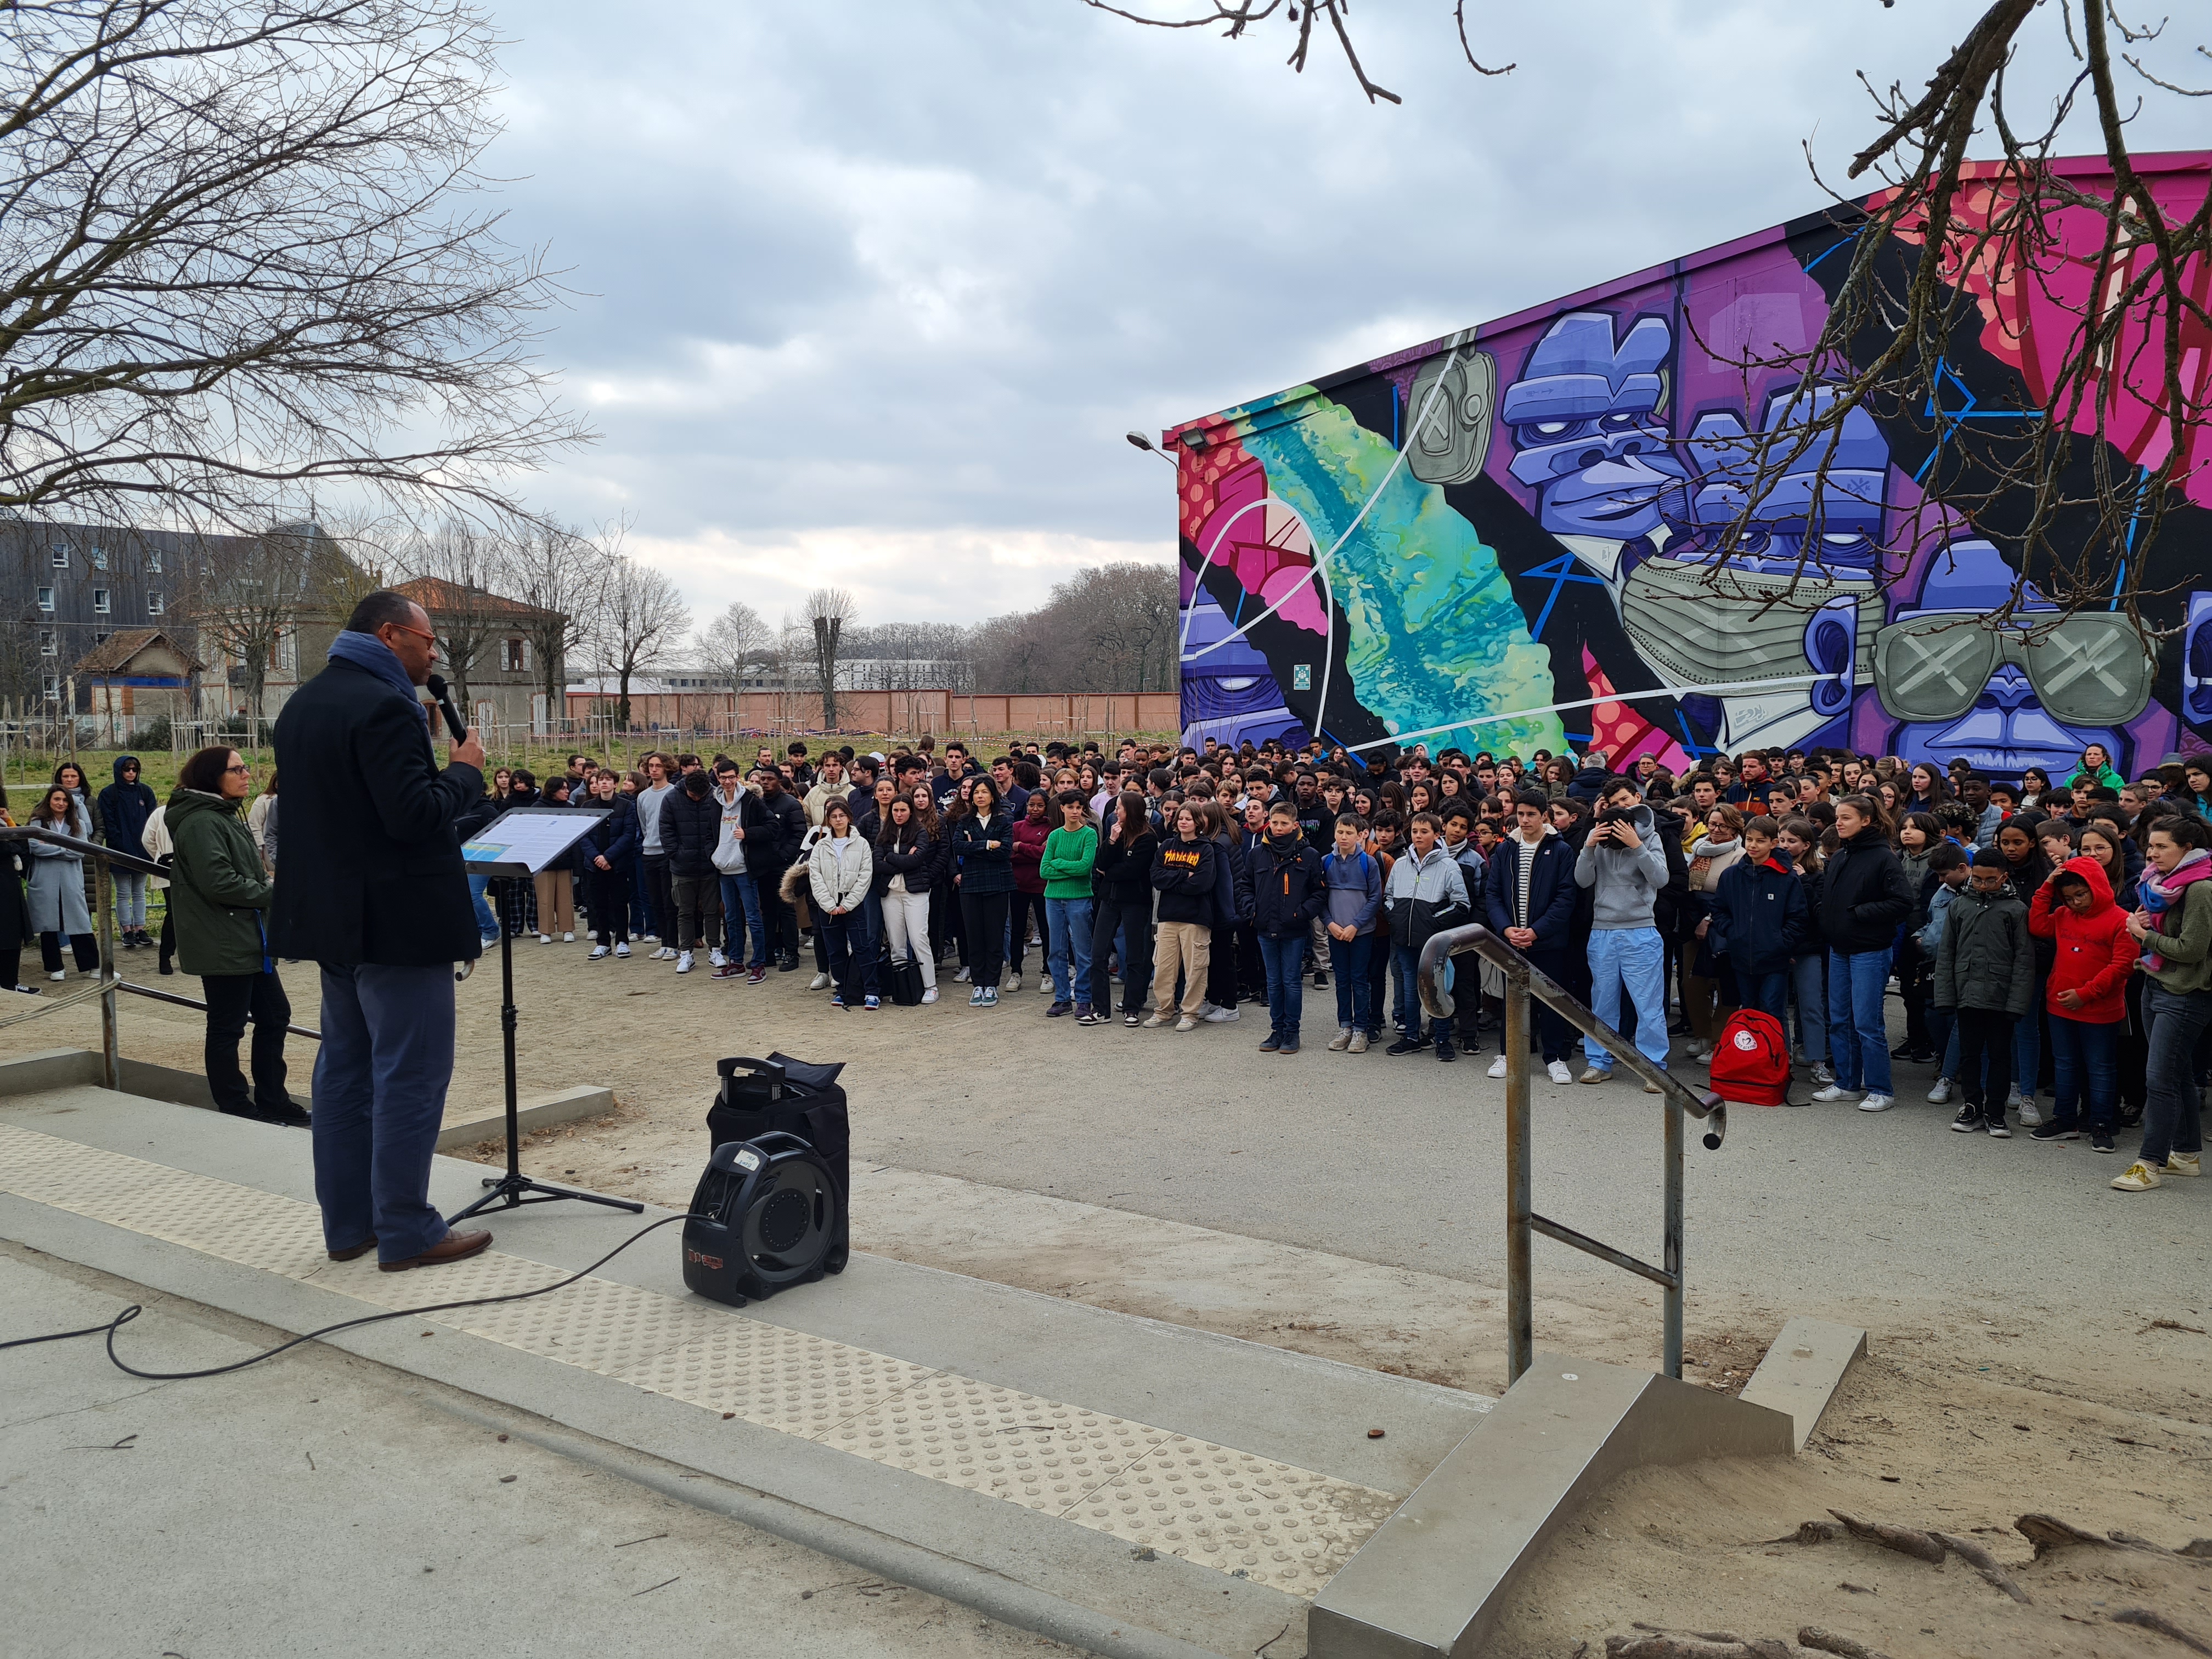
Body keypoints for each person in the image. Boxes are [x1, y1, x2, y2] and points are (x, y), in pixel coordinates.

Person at [270, 589, 490, 1273]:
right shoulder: (385, 705)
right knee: (411, 1075)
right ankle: (406, 1228)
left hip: (334, 924)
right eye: (428, 641)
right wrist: (465, 773)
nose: (433, 653)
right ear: (393, 635)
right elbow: (413, 816)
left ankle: (349, 1226)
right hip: (399, 928)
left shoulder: (303, 704)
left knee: (344, 1073)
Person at [168, 746, 304, 1127]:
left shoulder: (223, 816)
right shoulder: (202, 822)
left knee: (275, 1015)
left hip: (247, 938)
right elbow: (219, 883)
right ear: (213, 777)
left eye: (245, 767)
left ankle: (274, 1100)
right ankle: (235, 1105)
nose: (247, 774)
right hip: (223, 941)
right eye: (237, 769)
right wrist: (276, 891)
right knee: (228, 1026)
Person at [2113, 815, 2212, 1190]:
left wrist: (2142, 934)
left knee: (2160, 1080)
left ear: (2188, 850)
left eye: (2161, 847)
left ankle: (2149, 1164)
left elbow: (2192, 950)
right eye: (2150, 845)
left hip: (2185, 994)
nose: (2151, 853)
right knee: (2177, 1074)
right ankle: (2185, 1155)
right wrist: (2145, 926)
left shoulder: (2200, 888)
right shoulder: (2161, 882)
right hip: (2156, 985)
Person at [2027, 855, 2136, 1152]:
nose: (2075, 902)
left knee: (2100, 1067)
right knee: (2065, 1064)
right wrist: (2048, 887)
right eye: (2068, 897)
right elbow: (2037, 924)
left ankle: (2101, 1124)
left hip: (2100, 1008)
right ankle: (2065, 1120)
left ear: (2097, 887)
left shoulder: (2121, 920)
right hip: (2060, 1004)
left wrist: (2086, 994)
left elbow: (2123, 966)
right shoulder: (2062, 915)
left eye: (2081, 894)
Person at [1813, 794, 1915, 1112]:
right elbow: (1830, 898)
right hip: (1839, 948)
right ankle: (1847, 1083)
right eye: (1837, 818)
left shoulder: (1884, 858)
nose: (1839, 823)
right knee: (1840, 1020)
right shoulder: (1841, 857)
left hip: (1870, 950)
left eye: (1846, 818)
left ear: (1866, 821)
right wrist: (1826, 916)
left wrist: (1859, 914)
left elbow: (1902, 903)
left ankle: (1881, 1089)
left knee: (1868, 1023)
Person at [1574, 776, 1671, 1088]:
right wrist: (1590, 844)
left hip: (1640, 930)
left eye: (1626, 800)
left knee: (1648, 1004)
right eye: (1615, 804)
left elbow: (1661, 878)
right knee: (1602, 1003)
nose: (1622, 808)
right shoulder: (1599, 837)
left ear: (1637, 798)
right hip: (1602, 930)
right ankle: (1599, 1062)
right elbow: (1582, 880)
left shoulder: (1651, 836)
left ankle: (1654, 1067)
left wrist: (1637, 846)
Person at [1934, 848, 2036, 1137]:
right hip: (1966, 993)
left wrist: (2017, 1003)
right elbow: (1947, 954)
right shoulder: (1959, 906)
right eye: (1977, 879)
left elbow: (2024, 960)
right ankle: (1972, 1105)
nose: (1982, 885)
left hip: (2001, 997)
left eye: (1990, 880)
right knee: (1969, 1054)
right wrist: (1945, 996)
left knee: (2000, 1055)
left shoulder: (2016, 910)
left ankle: (1996, 1111)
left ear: (2003, 878)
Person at [1483, 798, 1580, 1082]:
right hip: (1512, 940)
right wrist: (1506, 929)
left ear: (1545, 817)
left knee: (1550, 999)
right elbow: (1493, 893)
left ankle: (1555, 1058)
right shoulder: (1505, 850)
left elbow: (1565, 898)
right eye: (1521, 814)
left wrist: (1538, 931)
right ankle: (1507, 1053)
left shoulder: (1561, 850)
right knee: (1512, 999)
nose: (1525, 820)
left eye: (1531, 815)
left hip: (1547, 941)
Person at [1708, 815, 1807, 1062]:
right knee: (1748, 1009)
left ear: (1774, 843)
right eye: (1749, 840)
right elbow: (1719, 909)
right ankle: (1752, 1060)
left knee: (1773, 1010)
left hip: (1774, 958)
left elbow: (1797, 917)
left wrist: (1781, 943)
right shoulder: (1732, 876)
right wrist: (1732, 933)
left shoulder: (1786, 877)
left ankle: (1778, 1059)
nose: (1753, 846)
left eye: (1760, 841)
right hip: (1742, 955)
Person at [1383, 811, 1469, 1061]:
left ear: (1436, 834)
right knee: (1410, 988)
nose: (1418, 836)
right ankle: (1411, 1036)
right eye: (1414, 832)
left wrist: (1433, 923)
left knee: (1436, 989)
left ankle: (1441, 1039)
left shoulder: (1448, 865)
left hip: (1433, 942)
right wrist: (1396, 918)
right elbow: (1388, 897)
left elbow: (1461, 904)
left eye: (1424, 832)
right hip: (1405, 939)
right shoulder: (1400, 864)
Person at [1246, 797, 1326, 1054]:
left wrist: (1302, 913)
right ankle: (1276, 1029)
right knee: (1273, 982)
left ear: (1294, 825)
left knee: (1291, 981)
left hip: (1293, 929)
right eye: (1275, 823)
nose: (1279, 828)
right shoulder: (1257, 853)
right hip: (1265, 926)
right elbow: (1245, 885)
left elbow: (1319, 892)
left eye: (1284, 824)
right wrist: (1252, 909)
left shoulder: (1309, 856)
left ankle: (1292, 1032)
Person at [1146, 802, 1217, 1030]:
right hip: (1167, 916)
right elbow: (1156, 877)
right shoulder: (1167, 845)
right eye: (1180, 819)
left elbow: (1203, 883)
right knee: (1164, 968)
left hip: (1196, 918)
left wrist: (1172, 880)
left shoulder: (1207, 849)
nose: (1183, 822)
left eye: (1188, 818)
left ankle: (1190, 1013)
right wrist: (1183, 876)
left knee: (1195, 969)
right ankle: (1164, 1010)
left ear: (1198, 822)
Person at [1088, 791, 1157, 1029]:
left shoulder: (1148, 837)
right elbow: (1101, 864)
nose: (1116, 812)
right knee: (1098, 954)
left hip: (1136, 902)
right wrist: (1112, 841)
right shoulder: (1115, 831)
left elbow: (1133, 870)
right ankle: (1100, 1009)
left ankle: (1132, 1008)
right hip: (1109, 900)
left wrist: (1110, 873)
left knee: (1135, 956)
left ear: (1132, 810)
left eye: (1120, 808)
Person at [952, 775, 1014, 1006]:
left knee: (994, 936)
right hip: (971, 884)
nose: (979, 796)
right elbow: (958, 847)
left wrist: (973, 848)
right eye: (976, 792)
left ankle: (992, 985)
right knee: (974, 936)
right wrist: (987, 844)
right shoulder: (965, 820)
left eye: (984, 792)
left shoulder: (1004, 820)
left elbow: (1005, 851)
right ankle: (978, 984)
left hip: (998, 883)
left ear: (993, 795)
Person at [808, 799, 876, 1009]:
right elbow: (815, 875)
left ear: (849, 818)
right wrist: (828, 904)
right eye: (834, 816)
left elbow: (865, 875)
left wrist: (849, 903)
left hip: (853, 904)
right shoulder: (821, 845)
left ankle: (871, 990)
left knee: (862, 947)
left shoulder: (861, 844)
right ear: (828, 820)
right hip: (827, 905)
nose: (838, 820)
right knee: (835, 950)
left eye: (842, 816)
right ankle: (843, 990)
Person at [1040, 789, 1099, 1022]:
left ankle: (1084, 999)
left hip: (1080, 898)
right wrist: (1067, 868)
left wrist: (1059, 864)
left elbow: (1085, 868)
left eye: (1079, 807)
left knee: (1083, 951)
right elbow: (1044, 870)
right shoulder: (1055, 836)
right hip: (1053, 898)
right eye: (1071, 807)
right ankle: (1063, 997)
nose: (1075, 811)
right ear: (1062, 808)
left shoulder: (1089, 834)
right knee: (1056, 950)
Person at [660, 763, 725, 975]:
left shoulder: (716, 797)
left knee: (712, 911)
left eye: (701, 795)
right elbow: (666, 830)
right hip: (682, 868)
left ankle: (715, 949)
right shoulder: (671, 799)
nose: (697, 798)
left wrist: (715, 855)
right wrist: (676, 854)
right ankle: (686, 953)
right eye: (692, 795)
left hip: (710, 866)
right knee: (685, 912)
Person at [874, 793, 940, 1005]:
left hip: (916, 893)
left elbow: (917, 860)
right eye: (896, 810)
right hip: (891, 894)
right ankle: (902, 986)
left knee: (919, 937)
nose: (899, 814)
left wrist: (891, 857)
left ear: (910, 811)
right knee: (896, 942)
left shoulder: (920, 832)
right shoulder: (884, 833)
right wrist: (904, 859)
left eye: (903, 810)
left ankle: (930, 986)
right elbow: (877, 863)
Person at [25, 786, 96, 979]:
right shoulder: (37, 822)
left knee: (79, 922)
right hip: (45, 879)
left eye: (65, 800)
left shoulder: (78, 823)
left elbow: (79, 851)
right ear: (49, 800)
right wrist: (64, 847)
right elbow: (34, 847)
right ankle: (55, 968)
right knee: (48, 924)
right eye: (57, 799)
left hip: (70, 879)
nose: (61, 803)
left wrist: (51, 846)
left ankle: (92, 966)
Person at [709, 760, 769, 983]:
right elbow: (709, 833)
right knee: (731, 917)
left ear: (738, 777)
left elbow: (771, 827)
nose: (727, 782)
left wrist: (748, 834)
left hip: (745, 869)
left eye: (731, 777)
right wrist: (713, 855)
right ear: (718, 778)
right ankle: (736, 962)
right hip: (723, 870)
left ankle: (758, 964)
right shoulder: (714, 803)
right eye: (723, 778)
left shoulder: (751, 802)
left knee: (753, 917)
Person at [97, 755, 157, 950]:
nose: (131, 773)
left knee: (139, 892)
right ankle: (127, 931)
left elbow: (152, 820)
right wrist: (119, 846)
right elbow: (109, 823)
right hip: (119, 850)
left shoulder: (145, 791)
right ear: (119, 770)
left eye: (134, 769)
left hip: (142, 850)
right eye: (127, 769)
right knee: (123, 893)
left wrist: (147, 846)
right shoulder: (109, 794)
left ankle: (140, 928)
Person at [579, 769, 637, 960]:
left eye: (608, 780)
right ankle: (603, 943)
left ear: (615, 784)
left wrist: (609, 857)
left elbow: (628, 835)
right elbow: (582, 835)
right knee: (599, 904)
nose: (603, 783)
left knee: (620, 903)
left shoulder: (626, 806)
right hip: (594, 865)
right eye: (600, 780)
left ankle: (622, 941)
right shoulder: (587, 806)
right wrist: (597, 857)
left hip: (618, 864)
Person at [1007, 787, 1052, 995]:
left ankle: (1048, 972)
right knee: (1017, 930)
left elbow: (1045, 855)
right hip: (1018, 884)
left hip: (1042, 885)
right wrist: (1028, 850)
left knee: (1046, 929)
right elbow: (1009, 853)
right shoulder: (1017, 826)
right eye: (1032, 805)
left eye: (1040, 805)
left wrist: (1021, 847)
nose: (1035, 809)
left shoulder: (1051, 828)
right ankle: (1016, 971)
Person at [634, 753, 676, 955]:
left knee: (670, 902)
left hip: (668, 854)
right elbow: (644, 824)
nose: (654, 769)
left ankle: (674, 945)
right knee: (655, 901)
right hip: (648, 853)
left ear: (667, 768)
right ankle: (664, 943)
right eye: (650, 765)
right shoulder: (642, 796)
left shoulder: (674, 793)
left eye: (658, 766)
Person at [532, 775, 580, 945]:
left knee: (566, 896)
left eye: (568, 788)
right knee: (545, 897)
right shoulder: (538, 807)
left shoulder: (570, 808)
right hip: (543, 860)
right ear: (553, 790)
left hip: (565, 858)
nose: (567, 792)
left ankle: (568, 930)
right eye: (563, 789)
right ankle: (546, 931)